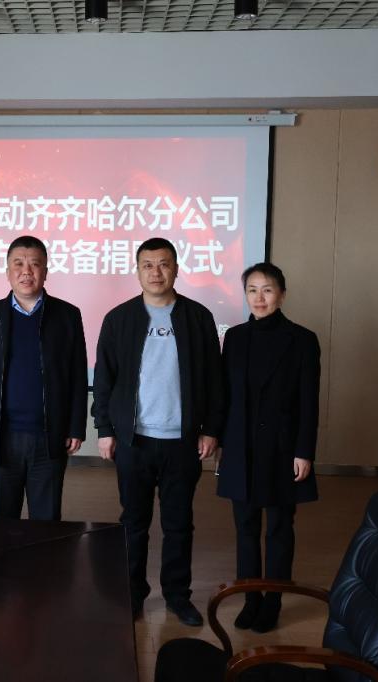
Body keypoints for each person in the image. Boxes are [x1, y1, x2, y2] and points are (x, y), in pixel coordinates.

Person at [92, 237, 223, 624]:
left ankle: (177, 597)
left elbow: (214, 380)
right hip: (134, 440)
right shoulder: (119, 319)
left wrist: (211, 429)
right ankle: (132, 594)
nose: (156, 272)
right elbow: (104, 379)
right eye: (147, 265)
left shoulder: (198, 317)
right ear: (137, 271)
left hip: (182, 441)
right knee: (133, 523)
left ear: (176, 269)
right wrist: (105, 428)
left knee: (178, 524)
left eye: (164, 264)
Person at [217, 262, 320, 633]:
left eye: (267, 289)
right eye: (252, 290)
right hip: (241, 446)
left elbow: (309, 401)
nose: (259, 298)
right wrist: (221, 441)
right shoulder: (235, 337)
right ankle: (250, 598)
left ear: (282, 294)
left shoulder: (302, 339)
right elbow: (225, 397)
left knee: (278, 527)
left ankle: (273, 601)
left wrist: (304, 450)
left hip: (282, 448)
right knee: (245, 527)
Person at [0, 235, 87, 522]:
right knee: (1, 519)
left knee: (46, 522)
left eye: (35, 264)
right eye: (18, 264)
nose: (26, 271)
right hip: (1, 437)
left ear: (46, 271)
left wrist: (76, 427)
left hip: (49, 436)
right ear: (7, 271)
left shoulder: (68, 315)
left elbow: (78, 375)